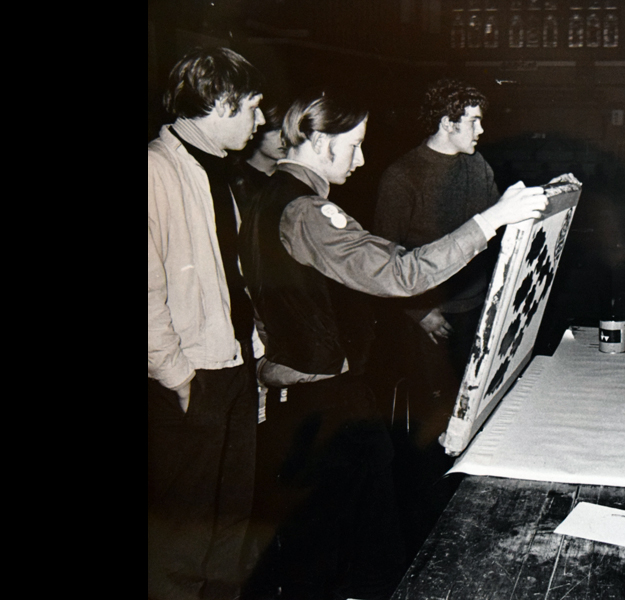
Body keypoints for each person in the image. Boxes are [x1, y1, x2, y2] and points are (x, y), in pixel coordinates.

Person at [237, 89, 547, 600]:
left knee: (320, 551)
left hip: (303, 395)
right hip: (329, 403)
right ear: (317, 140)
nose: (361, 160)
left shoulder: (265, 195)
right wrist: (491, 221)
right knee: (360, 557)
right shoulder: (309, 213)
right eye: (353, 145)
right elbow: (402, 273)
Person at [148, 46, 265, 600]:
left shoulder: (219, 172)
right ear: (221, 102)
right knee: (180, 545)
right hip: (191, 375)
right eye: (254, 108)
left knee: (229, 529)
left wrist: (255, 352)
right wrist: (175, 376)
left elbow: (229, 278)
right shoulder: (155, 169)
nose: (262, 121)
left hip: (233, 363)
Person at [372, 79, 500, 439]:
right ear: (447, 123)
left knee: (476, 409)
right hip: (429, 317)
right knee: (435, 419)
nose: (482, 129)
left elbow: (496, 228)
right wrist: (420, 312)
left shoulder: (477, 166)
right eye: (474, 121)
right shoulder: (402, 176)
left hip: (476, 308)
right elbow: (384, 258)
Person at [231, 102, 286, 221]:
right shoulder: (235, 179)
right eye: (276, 129)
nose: (284, 138)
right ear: (257, 130)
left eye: (287, 131)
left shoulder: (288, 179)